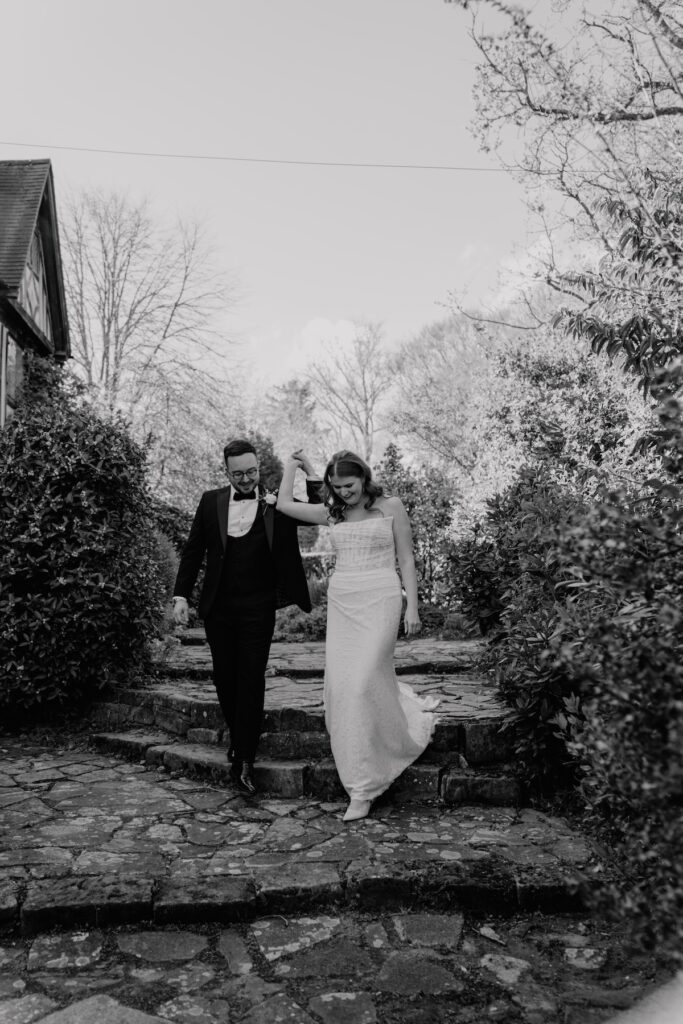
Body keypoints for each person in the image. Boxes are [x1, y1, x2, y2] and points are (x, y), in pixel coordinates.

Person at [277, 448, 438, 822]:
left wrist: (412, 607)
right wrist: (292, 467)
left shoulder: (391, 506)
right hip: (344, 602)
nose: (343, 492)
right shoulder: (333, 512)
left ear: (364, 477)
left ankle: (365, 787)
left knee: (364, 680)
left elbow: (407, 559)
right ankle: (359, 779)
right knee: (343, 688)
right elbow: (284, 505)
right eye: (336, 487)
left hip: (381, 598)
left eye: (348, 485)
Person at [172, 438, 322, 795]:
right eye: (238, 474)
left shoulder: (277, 504)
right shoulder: (210, 501)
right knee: (225, 679)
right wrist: (181, 596)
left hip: (258, 607)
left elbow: (321, 509)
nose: (245, 479)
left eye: (251, 472)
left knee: (251, 678)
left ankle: (245, 758)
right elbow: (193, 551)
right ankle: (240, 738)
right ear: (226, 471)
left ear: (259, 468)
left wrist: (309, 469)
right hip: (219, 608)